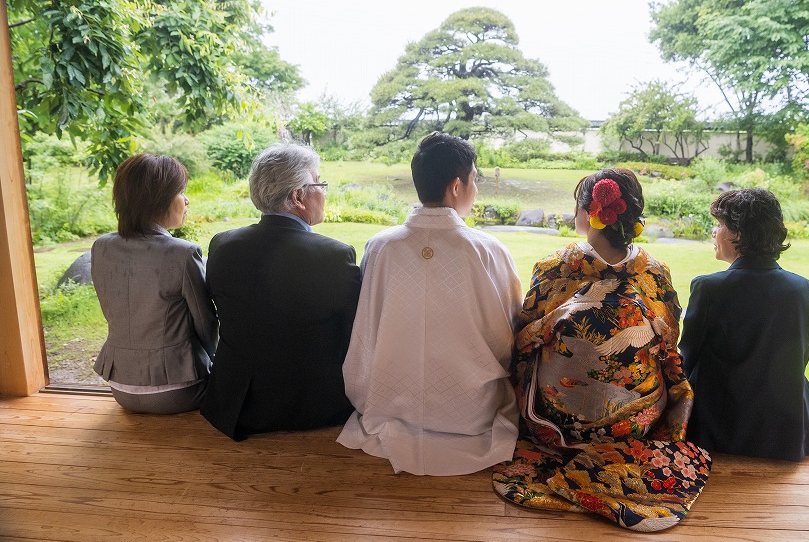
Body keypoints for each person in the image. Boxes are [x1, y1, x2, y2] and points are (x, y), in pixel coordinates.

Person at [492, 168, 710, 532]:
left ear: (585, 213)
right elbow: (669, 340)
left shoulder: (555, 268)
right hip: (634, 426)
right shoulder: (654, 272)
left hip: (556, 426)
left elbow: (524, 336)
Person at [337, 132, 523, 476]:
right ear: (456, 186)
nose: (476, 189)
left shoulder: (380, 247)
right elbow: (511, 327)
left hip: (388, 398)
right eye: (474, 180)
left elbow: (366, 324)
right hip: (470, 409)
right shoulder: (487, 249)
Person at [200, 142, 361, 441]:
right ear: (298, 196)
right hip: (315, 406)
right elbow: (355, 333)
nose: (324, 192)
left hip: (237, 405)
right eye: (320, 183)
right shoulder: (334, 256)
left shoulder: (222, 245)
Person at [680, 188, 809, 461]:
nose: (714, 232)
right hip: (787, 427)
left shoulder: (710, 287)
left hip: (721, 426)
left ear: (739, 233)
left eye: (720, 225)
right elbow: (801, 356)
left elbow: (686, 359)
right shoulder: (801, 288)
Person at [92, 154, 216, 414]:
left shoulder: (101, 247)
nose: (186, 200)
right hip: (179, 389)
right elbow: (205, 322)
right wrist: (216, 360)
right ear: (158, 200)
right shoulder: (183, 253)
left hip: (120, 388)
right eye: (181, 192)